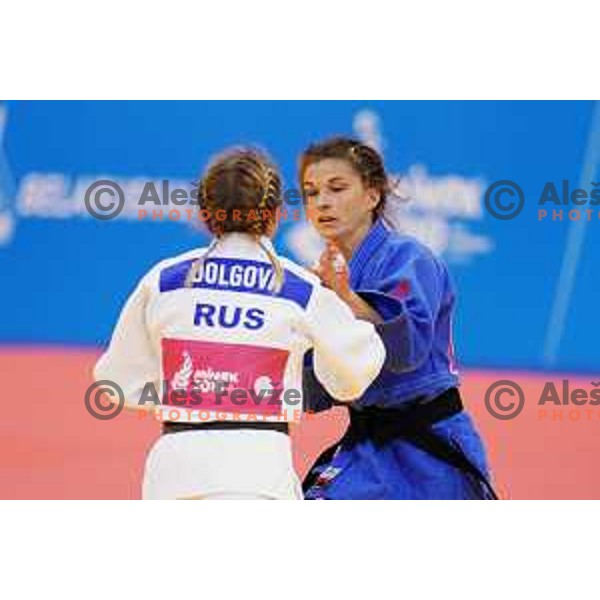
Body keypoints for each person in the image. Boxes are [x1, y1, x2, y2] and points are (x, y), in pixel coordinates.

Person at [94, 147, 387, 500]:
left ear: (205, 214)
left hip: (173, 473)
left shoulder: (163, 280)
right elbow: (359, 366)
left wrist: (193, 391)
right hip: (260, 472)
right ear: (275, 214)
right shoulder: (299, 287)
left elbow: (117, 383)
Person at [299, 136, 497, 499]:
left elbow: (407, 349)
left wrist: (343, 297)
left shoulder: (409, 258)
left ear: (372, 196)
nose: (322, 202)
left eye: (337, 188)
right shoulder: (323, 281)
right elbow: (315, 392)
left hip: (430, 448)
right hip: (366, 448)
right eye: (311, 193)